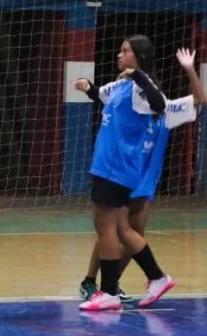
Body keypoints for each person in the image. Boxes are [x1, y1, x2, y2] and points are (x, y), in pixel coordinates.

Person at [76, 47, 204, 303]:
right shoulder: (125, 93)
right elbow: (102, 94)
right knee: (113, 229)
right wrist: (88, 87)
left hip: (140, 181)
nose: (119, 54)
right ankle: (96, 283)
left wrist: (190, 69)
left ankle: (121, 284)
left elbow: (198, 99)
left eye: (126, 50)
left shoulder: (165, 110)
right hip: (124, 174)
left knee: (123, 230)